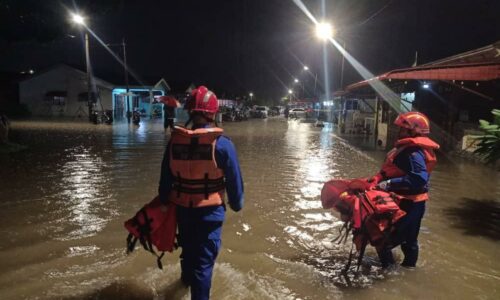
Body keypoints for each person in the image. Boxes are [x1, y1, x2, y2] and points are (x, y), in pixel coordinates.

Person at [158, 86, 244, 300]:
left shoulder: (174, 142)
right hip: (210, 214)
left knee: (187, 253)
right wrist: (236, 204)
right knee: (203, 265)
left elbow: (165, 181)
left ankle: (184, 284)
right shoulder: (223, 145)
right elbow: (235, 183)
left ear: (189, 112)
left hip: (182, 211)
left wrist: (163, 203)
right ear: (213, 113)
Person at [369, 112, 439, 269]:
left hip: (408, 204)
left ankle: (389, 274)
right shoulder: (411, 149)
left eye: (402, 129)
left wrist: (388, 184)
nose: (398, 132)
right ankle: (409, 270)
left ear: (414, 131)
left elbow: (419, 179)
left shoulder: (412, 152)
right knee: (409, 241)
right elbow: (394, 169)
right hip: (416, 202)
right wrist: (378, 178)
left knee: (383, 241)